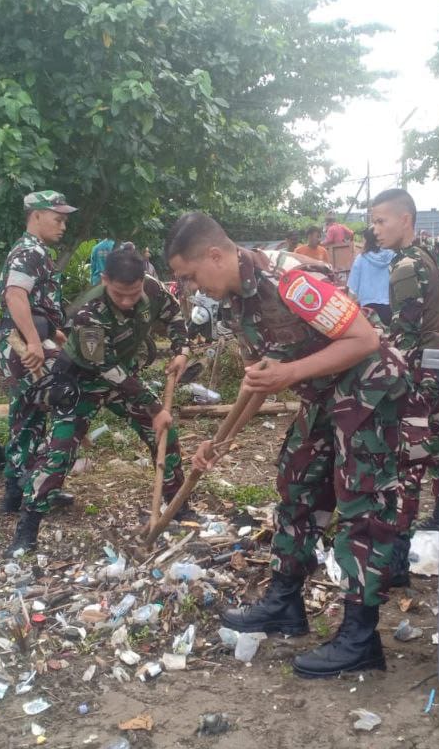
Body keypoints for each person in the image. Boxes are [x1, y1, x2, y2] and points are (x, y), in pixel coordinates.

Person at [166, 212, 411, 677]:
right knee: (296, 484)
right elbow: (259, 379)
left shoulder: (292, 280)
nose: (193, 288)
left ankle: (360, 638)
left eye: (191, 276)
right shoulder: (236, 301)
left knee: (361, 504)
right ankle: (285, 603)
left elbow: (364, 339)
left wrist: (291, 374)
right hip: (323, 393)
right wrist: (220, 442)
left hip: (368, 389)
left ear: (215, 255)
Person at [8, 249, 191, 554]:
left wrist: (181, 350)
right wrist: (155, 407)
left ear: (143, 280)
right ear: (105, 279)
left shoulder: (152, 288)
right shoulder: (89, 313)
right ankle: (27, 529)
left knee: (164, 434)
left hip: (125, 376)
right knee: (59, 454)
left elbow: (173, 315)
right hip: (82, 382)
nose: (127, 301)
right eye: (119, 294)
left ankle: (177, 506)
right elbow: (106, 367)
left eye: (133, 294)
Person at [371, 188, 439, 538]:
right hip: (436, 363)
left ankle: (399, 536)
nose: (375, 229)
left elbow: (405, 333)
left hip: (416, 370)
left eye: (381, 221)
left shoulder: (405, 265)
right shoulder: (425, 255)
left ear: (405, 220)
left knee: (408, 455)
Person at [0, 190, 77, 514]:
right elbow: (15, 295)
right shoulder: (30, 252)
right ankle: (36, 485)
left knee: (27, 414)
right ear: (37, 215)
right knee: (64, 396)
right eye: (58, 219)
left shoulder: (34, 251)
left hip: (29, 339)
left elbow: (34, 303)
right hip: (23, 345)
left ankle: (15, 491)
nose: (63, 226)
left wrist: (54, 333)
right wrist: (33, 341)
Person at [347, 227, 396, 324]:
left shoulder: (361, 259)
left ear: (367, 241)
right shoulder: (392, 256)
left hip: (368, 308)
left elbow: (352, 289)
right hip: (389, 305)